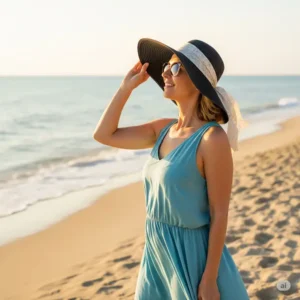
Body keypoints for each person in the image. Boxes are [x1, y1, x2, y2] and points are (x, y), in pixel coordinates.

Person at [93, 38, 249, 300]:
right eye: (167, 66)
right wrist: (125, 89)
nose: (165, 72)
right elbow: (104, 135)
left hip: (193, 255)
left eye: (176, 69)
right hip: (156, 248)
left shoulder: (212, 140)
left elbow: (219, 213)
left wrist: (209, 279)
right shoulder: (162, 129)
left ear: (198, 83)